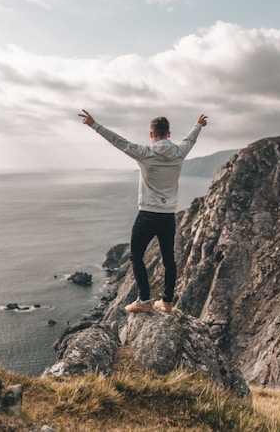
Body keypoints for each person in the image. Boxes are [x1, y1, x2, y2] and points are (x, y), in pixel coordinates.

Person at [79, 109, 208, 313]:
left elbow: (118, 141)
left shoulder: (145, 153)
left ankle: (145, 301)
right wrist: (198, 124)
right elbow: (190, 139)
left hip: (147, 214)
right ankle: (166, 302)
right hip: (168, 216)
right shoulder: (180, 152)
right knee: (168, 260)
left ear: (151, 134)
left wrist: (95, 125)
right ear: (169, 134)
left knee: (136, 255)